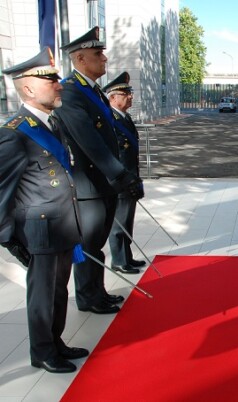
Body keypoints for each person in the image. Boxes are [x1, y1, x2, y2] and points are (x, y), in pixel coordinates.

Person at [0, 48, 89, 373]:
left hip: (63, 227)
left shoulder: (50, 126)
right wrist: (11, 241)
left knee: (58, 291)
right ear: (27, 89)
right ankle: (42, 352)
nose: (59, 84)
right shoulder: (14, 133)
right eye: (50, 79)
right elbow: (2, 193)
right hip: (38, 233)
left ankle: (56, 342)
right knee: (42, 296)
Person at [53, 27, 143, 315]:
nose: (104, 59)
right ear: (80, 58)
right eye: (97, 54)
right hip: (89, 184)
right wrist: (119, 174)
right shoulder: (70, 91)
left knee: (98, 243)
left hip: (103, 183)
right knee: (90, 245)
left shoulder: (91, 92)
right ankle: (87, 296)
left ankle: (97, 292)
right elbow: (89, 142)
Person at [104, 72, 146, 274]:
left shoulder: (124, 118)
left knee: (128, 221)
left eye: (130, 93)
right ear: (113, 97)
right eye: (125, 93)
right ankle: (119, 260)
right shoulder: (108, 120)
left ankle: (127, 257)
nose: (130, 97)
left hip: (130, 178)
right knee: (119, 222)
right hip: (119, 181)